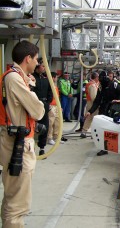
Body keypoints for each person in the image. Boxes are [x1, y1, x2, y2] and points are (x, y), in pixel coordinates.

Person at [0, 40, 45, 227]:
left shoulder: (17, 77)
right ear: (28, 59)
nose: (37, 64)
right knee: (18, 201)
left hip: (17, 141)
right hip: (16, 144)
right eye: (35, 60)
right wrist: (31, 90)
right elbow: (38, 111)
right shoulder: (14, 79)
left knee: (14, 196)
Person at [86, 71, 120, 156]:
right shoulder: (101, 87)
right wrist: (90, 111)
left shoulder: (115, 85)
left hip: (115, 109)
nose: (100, 82)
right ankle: (104, 148)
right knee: (103, 129)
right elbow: (97, 101)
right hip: (104, 109)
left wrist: (119, 101)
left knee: (119, 127)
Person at [32, 58, 53, 156]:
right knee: (32, 125)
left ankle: (42, 147)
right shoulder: (31, 78)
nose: (45, 68)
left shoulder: (46, 79)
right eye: (43, 66)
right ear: (37, 66)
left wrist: (47, 103)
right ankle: (30, 147)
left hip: (44, 105)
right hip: (33, 105)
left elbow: (50, 91)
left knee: (45, 126)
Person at [80, 71, 100, 139]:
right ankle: (93, 134)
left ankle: (84, 131)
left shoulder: (89, 84)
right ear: (96, 77)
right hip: (92, 104)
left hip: (88, 103)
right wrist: (97, 104)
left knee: (88, 118)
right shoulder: (92, 85)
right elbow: (93, 96)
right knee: (95, 119)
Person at [47, 72, 64, 145]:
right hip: (51, 105)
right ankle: (49, 138)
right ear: (53, 78)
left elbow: (57, 97)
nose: (56, 79)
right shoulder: (49, 86)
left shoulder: (55, 86)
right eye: (56, 77)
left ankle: (56, 137)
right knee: (51, 122)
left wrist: (59, 106)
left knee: (58, 121)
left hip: (56, 106)